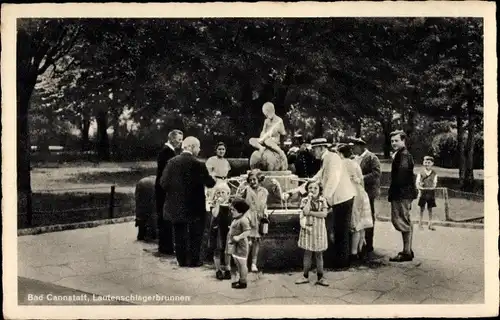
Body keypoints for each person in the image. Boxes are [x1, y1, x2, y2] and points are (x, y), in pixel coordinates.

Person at [286, 138, 356, 269]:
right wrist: (297, 190)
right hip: (339, 198)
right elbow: (317, 178)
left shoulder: (333, 158)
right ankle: (340, 261)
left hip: (343, 198)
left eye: (314, 149)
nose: (313, 152)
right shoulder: (327, 159)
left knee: (341, 230)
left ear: (322, 148)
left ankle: (342, 263)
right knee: (338, 229)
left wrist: (324, 199)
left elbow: (332, 180)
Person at [160, 136, 216, 267]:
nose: (199, 149)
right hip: (194, 207)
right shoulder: (199, 164)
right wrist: (212, 176)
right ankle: (194, 261)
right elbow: (210, 183)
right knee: (196, 234)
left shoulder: (171, 162)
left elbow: (163, 183)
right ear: (192, 147)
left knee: (179, 234)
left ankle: (182, 261)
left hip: (176, 206)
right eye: (198, 146)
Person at [337, 144, 373, 265]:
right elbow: (361, 180)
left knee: (353, 223)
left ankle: (353, 253)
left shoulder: (342, 164)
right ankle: (359, 250)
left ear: (340, 154)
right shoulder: (355, 164)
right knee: (360, 223)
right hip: (361, 193)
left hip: (350, 194)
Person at [150, 130, 183, 253]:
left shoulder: (169, 152)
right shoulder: (167, 152)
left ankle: (166, 245)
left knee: (165, 216)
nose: (181, 142)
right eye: (179, 140)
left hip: (163, 188)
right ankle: (165, 247)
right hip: (164, 190)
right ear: (172, 139)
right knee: (165, 217)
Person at [388, 130, 418, 262]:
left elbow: (402, 175)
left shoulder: (403, 155)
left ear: (403, 140)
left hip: (401, 193)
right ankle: (407, 250)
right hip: (404, 193)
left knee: (401, 220)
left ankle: (406, 252)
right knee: (404, 220)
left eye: (396, 140)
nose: (394, 143)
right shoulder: (402, 154)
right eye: (392, 141)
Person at [294, 181, 329, 286]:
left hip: (319, 230)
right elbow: (305, 211)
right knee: (307, 253)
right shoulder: (305, 200)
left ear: (319, 190)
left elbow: (324, 214)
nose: (312, 190)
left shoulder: (323, 200)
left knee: (319, 254)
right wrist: (309, 200)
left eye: (315, 188)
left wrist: (311, 213)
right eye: (310, 188)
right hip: (308, 230)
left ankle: (320, 276)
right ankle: (305, 276)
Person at [351, 137, 381, 257]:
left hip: (368, 192)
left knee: (368, 218)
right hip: (358, 192)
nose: (353, 149)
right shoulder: (355, 158)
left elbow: (376, 173)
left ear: (361, 146)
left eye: (355, 147)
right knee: (359, 217)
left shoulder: (371, 157)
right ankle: (360, 244)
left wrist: (362, 178)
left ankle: (369, 244)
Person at [236, 169, 269, 273]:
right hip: (248, 217)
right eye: (250, 180)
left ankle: (254, 263)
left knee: (256, 242)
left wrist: (265, 212)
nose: (252, 182)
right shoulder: (246, 190)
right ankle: (244, 262)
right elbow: (239, 201)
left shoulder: (264, 191)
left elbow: (265, 203)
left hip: (258, 218)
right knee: (247, 241)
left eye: (254, 179)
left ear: (259, 180)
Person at [249, 102, 287, 166]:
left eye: (267, 114)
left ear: (273, 111)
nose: (266, 116)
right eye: (265, 115)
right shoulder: (266, 121)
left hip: (274, 140)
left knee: (268, 141)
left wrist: (281, 145)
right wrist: (262, 137)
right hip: (265, 139)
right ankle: (261, 148)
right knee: (251, 140)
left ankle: (280, 152)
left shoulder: (279, 120)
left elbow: (283, 133)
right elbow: (263, 131)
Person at [226, 197, 252, 289]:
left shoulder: (243, 220)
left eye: (233, 210)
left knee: (242, 263)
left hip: (241, 246)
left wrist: (239, 237)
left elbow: (247, 232)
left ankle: (243, 281)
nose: (231, 211)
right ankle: (240, 279)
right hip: (235, 245)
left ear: (240, 211)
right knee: (237, 262)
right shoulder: (236, 219)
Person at [208, 182, 232, 280]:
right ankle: (218, 270)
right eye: (218, 193)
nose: (221, 194)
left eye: (223, 192)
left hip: (228, 228)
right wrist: (217, 203)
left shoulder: (230, 204)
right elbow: (215, 214)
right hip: (217, 229)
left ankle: (227, 268)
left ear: (228, 194)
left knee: (228, 250)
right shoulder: (214, 204)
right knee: (217, 249)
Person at [416, 156, 438, 231]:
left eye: (429, 163)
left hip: (430, 193)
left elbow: (435, 183)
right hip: (423, 193)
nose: (427, 164)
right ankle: (420, 223)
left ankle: (430, 224)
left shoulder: (434, 173)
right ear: (423, 163)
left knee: (430, 208)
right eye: (425, 162)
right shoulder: (421, 172)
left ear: (432, 163)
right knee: (421, 209)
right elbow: (417, 182)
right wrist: (420, 187)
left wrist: (433, 187)